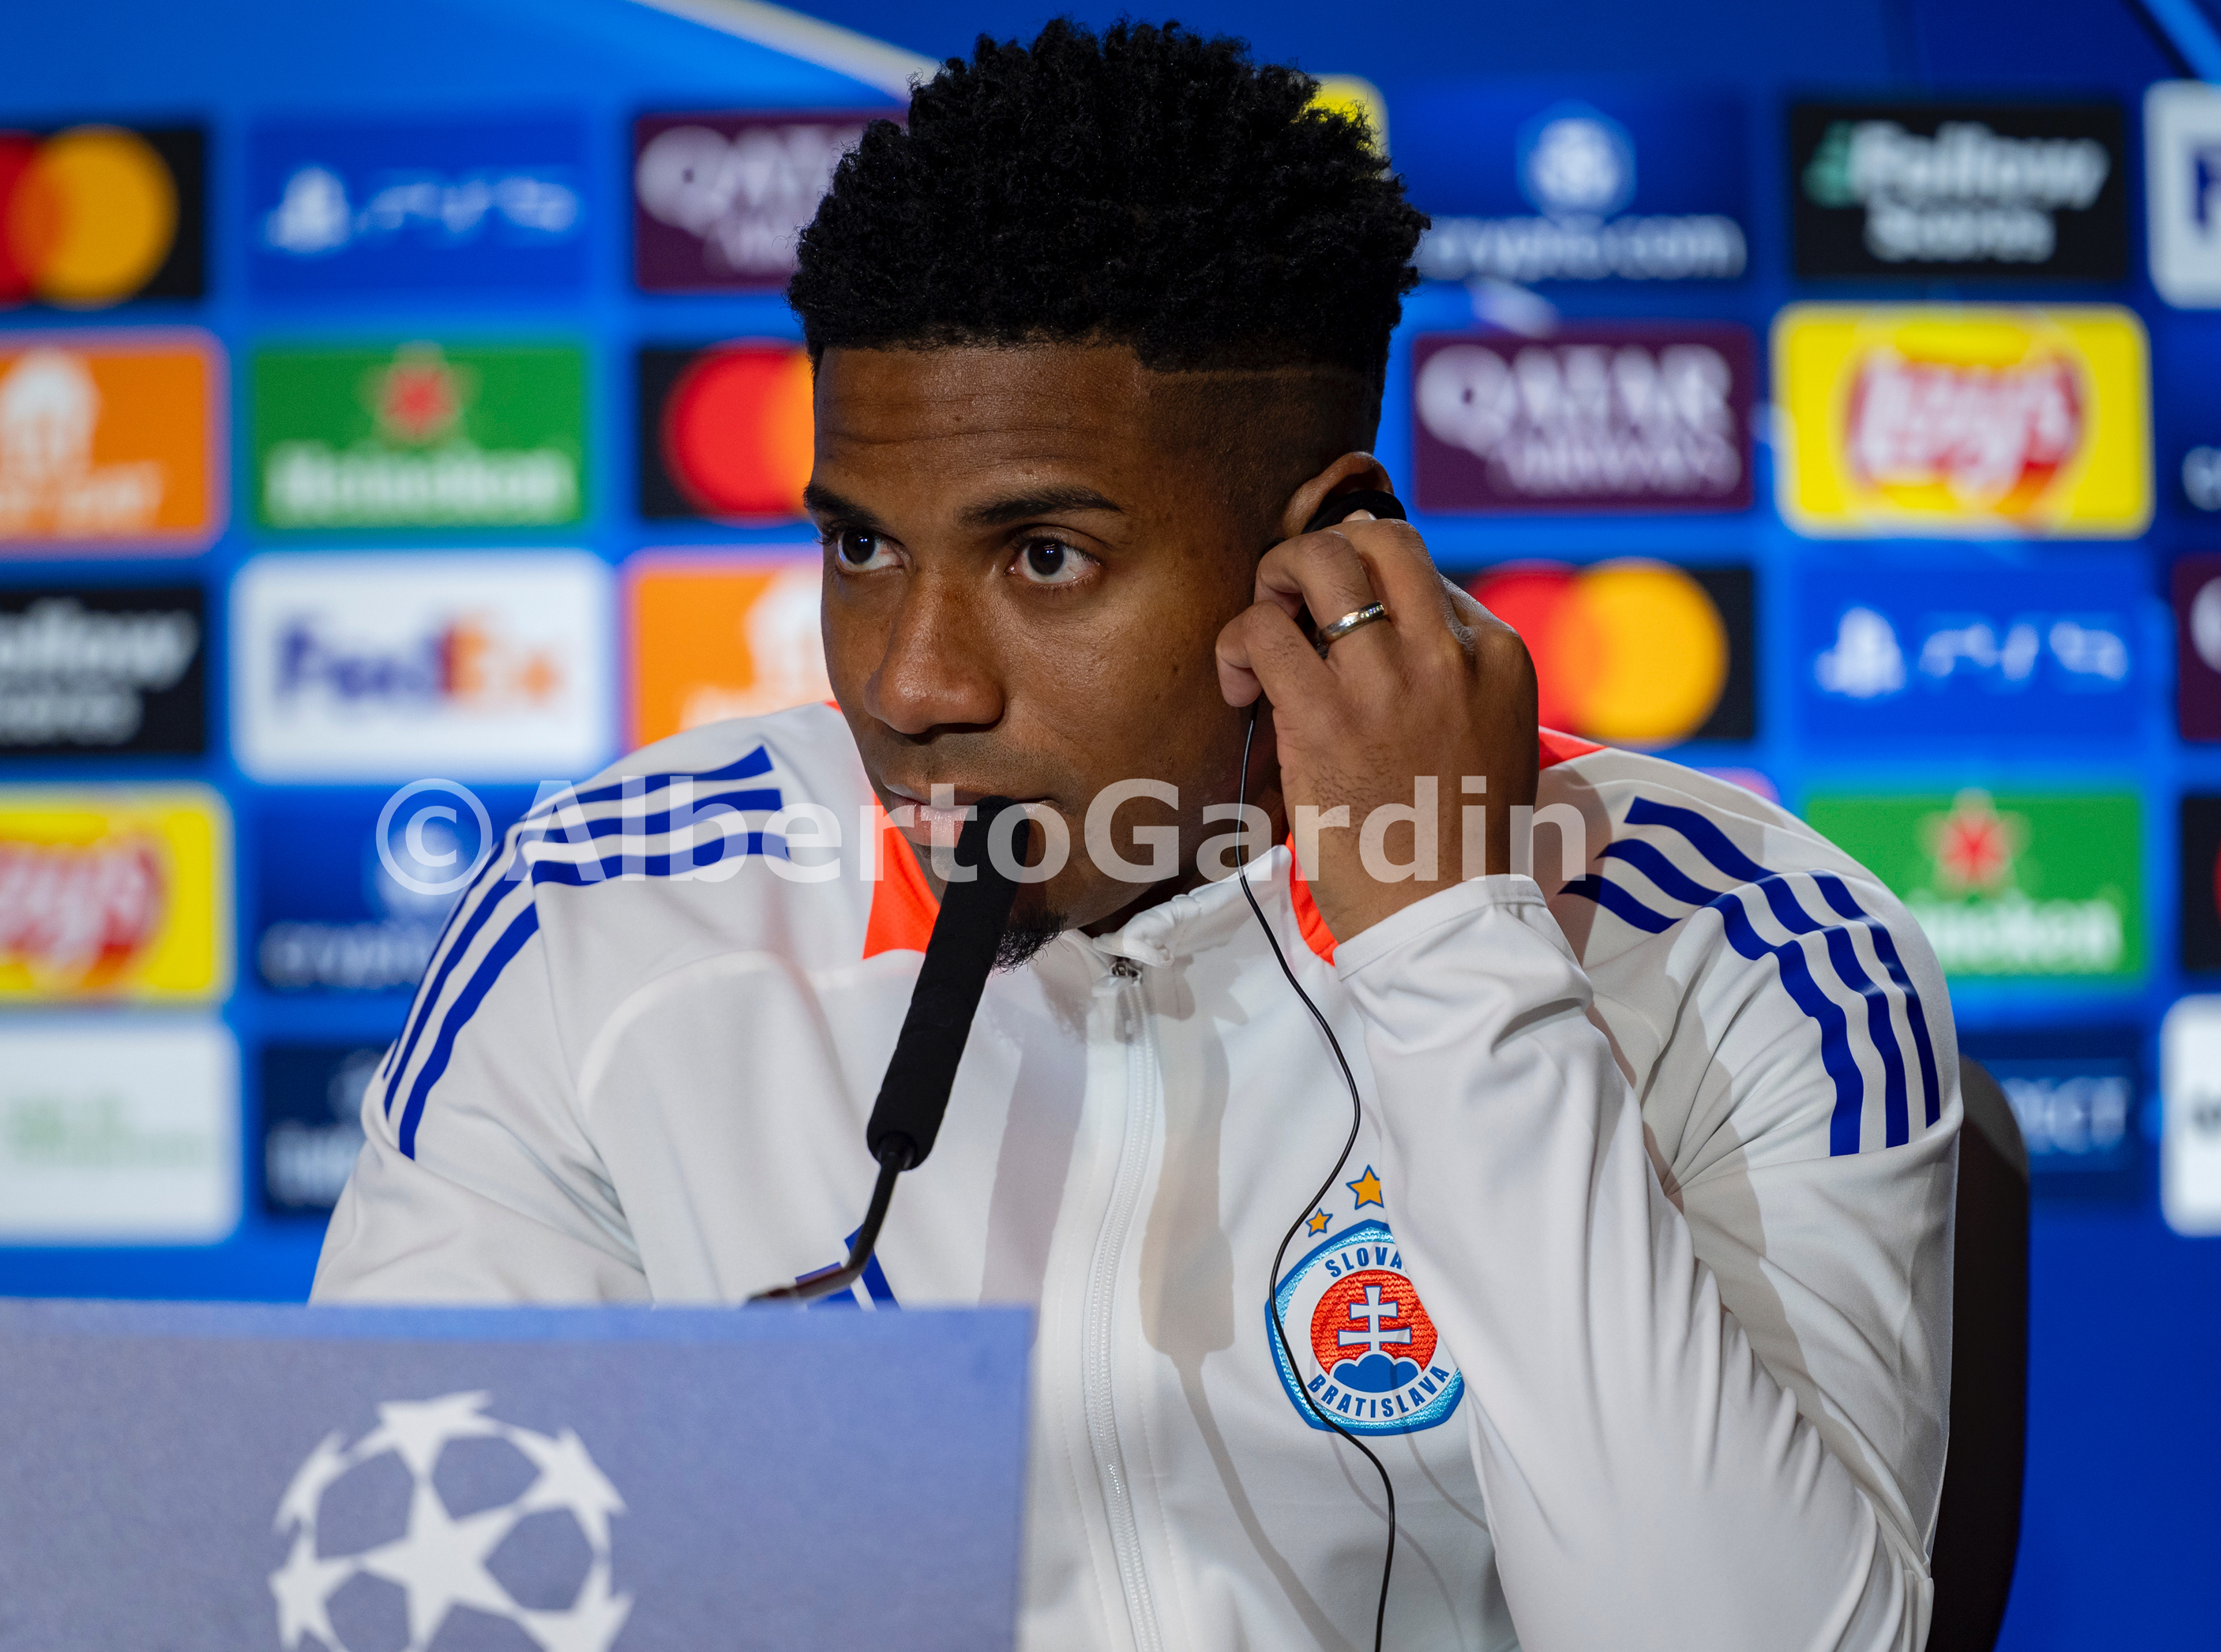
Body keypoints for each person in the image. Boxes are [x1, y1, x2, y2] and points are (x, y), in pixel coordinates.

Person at [316, 21, 1957, 1650]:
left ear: (1331, 549)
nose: (912, 682)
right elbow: (375, 1596)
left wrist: (1452, 948)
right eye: (865, 549)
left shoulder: (1741, 953)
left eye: (1044, 557)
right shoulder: (604, 916)